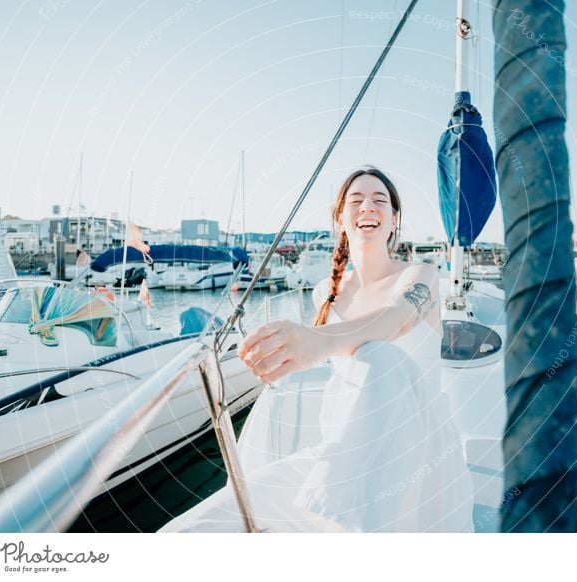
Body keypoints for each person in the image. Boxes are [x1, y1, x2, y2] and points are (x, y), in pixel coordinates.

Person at [160, 167, 473, 533]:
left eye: (379, 200)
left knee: (380, 357)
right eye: (355, 201)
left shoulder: (420, 277)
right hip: (341, 449)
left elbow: (396, 320)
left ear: (394, 219)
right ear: (340, 219)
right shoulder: (326, 291)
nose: (367, 207)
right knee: (204, 526)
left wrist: (316, 342)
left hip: (418, 452)